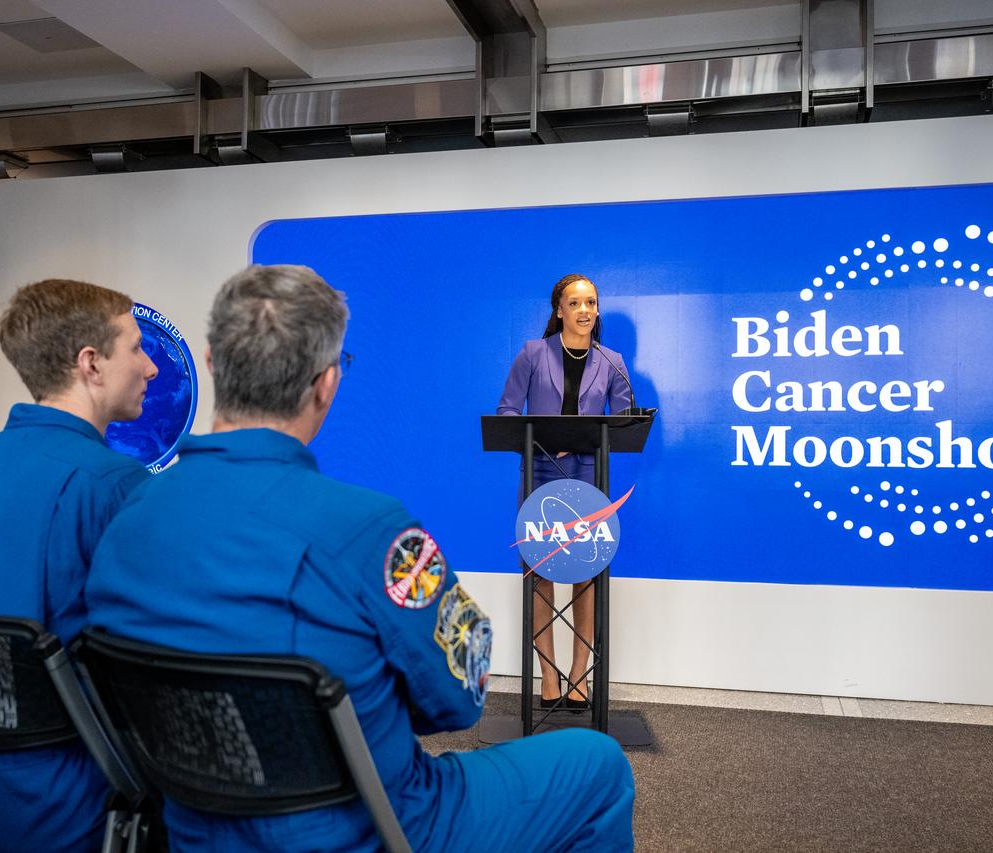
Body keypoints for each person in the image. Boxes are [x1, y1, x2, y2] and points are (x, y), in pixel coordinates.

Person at [86, 264, 635, 852]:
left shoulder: (124, 523)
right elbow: (463, 698)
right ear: (327, 382)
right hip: (375, 826)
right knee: (597, 762)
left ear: (214, 364)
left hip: (194, 828)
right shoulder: (379, 534)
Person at [0, 280, 158, 852]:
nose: (150, 367)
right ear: (91, 364)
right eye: (135, 347)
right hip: (71, 800)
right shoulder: (110, 484)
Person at [497, 273, 633, 710]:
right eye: (575, 303)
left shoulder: (611, 360)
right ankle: (548, 673)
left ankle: (579, 673)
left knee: (585, 574)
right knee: (540, 573)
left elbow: (625, 419)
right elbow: (507, 411)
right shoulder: (533, 354)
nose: (585, 311)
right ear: (559, 310)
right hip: (541, 473)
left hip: (590, 478)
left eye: (591, 303)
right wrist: (541, 438)